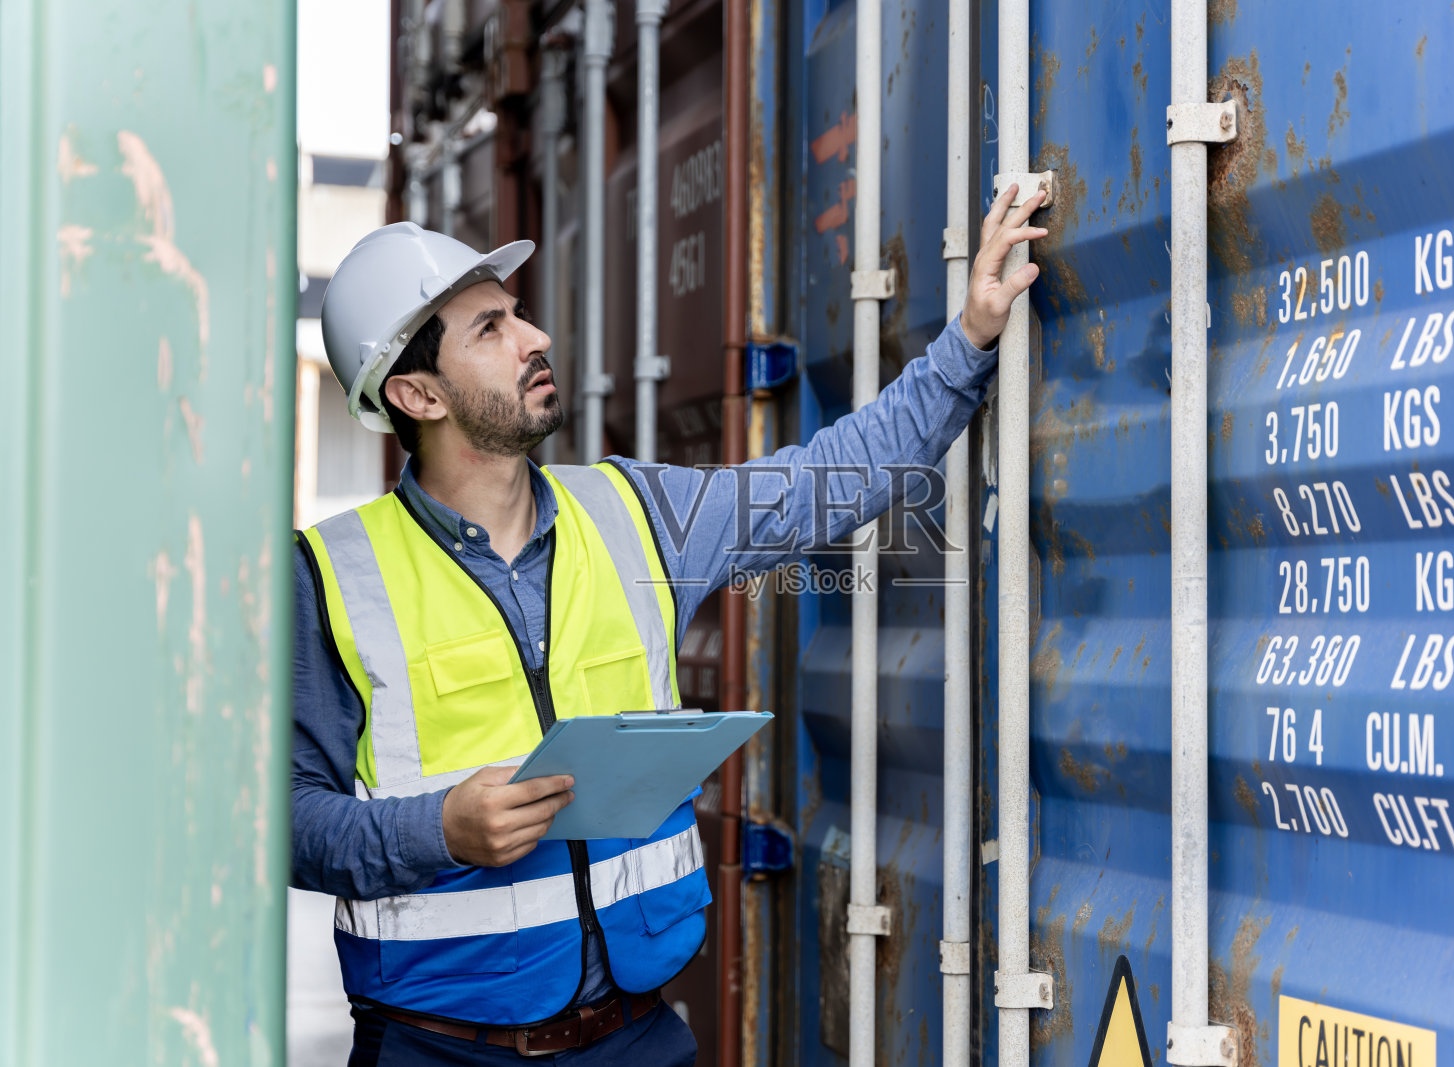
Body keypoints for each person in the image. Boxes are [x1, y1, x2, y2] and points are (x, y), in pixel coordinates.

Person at [292, 186, 1048, 1065]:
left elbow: (825, 481)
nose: (535, 339)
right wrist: (442, 829)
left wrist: (970, 340)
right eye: (489, 331)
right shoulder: (331, 578)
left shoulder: (634, 512)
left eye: (517, 315)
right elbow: (290, 823)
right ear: (418, 393)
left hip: (635, 1037)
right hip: (439, 1048)